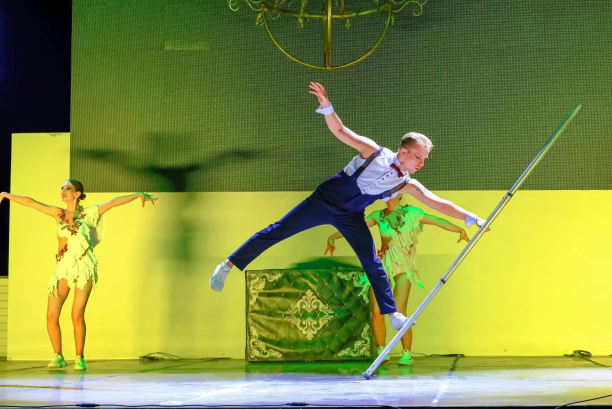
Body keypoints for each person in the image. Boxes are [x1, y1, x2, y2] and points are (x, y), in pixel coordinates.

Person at [210, 81, 485, 332]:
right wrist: (326, 106)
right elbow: (340, 131)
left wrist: (472, 218)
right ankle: (228, 265)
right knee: (277, 231)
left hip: (351, 215)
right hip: (323, 202)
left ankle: (393, 314)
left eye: (424, 159)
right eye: (418, 157)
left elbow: (437, 203)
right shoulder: (373, 152)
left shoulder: (406, 184)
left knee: (372, 261)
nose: (421, 163)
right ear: (403, 152)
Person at [0, 181, 157, 370]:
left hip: (84, 266)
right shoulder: (58, 214)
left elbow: (113, 202)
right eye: (62, 188)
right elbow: (32, 203)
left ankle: (79, 357)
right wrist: (6, 195)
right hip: (63, 268)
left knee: (76, 314)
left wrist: (138, 194)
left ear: (77, 193)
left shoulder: (89, 213)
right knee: (51, 314)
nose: (63, 191)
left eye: (68, 188)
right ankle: (58, 355)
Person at [325, 193, 469, 365]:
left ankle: (407, 353)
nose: (387, 194)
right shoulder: (378, 215)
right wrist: (332, 237)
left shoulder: (412, 213)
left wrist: (460, 230)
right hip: (383, 267)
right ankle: (382, 351)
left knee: (400, 312)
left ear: (400, 194)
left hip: (403, 266)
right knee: (378, 311)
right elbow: (354, 226)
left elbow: (438, 221)